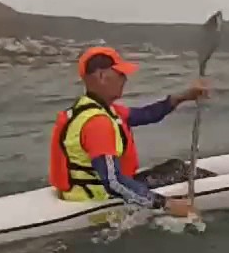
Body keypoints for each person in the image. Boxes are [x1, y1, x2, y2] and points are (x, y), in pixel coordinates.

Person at [47, 46, 211, 217]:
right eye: (120, 74)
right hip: (98, 201)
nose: (125, 79)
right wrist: (167, 205)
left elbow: (147, 114)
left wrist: (183, 97)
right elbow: (114, 183)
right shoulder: (98, 123)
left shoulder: (94, 110)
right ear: (101, 76)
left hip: (88, 191)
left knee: (175, 167)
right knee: (178, 171)